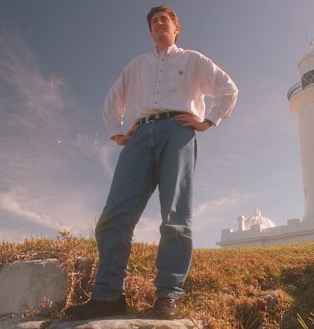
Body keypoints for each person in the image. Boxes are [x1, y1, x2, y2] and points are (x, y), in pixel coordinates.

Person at [64, 4, 238, 320]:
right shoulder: (135, 66)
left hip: (178, 131)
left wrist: (208, 120)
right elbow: (111, 103)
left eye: (165, 19)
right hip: (139, 136)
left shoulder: (193, 59)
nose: (159, 23)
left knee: (175, 216)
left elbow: (228, 89)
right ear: (150, 30)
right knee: (114, 217)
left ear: (176, 27)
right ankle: (107, 296)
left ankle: (167, 297)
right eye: (154, 21)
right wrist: (117, 132)